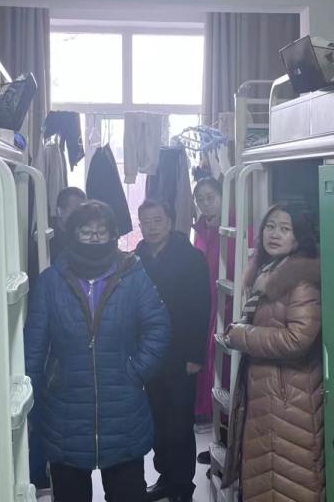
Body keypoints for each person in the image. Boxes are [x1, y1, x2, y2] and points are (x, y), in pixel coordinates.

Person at [25, 200, 171, 502]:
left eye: (101, 231)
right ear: (72, 234)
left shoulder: (132, 275)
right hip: (65, 409)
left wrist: (136, 371)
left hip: (123, 408)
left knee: (127, 494)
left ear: (113, 235)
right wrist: (36, 395)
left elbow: (158, 327)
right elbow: (34, 345)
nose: (94, 238)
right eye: (86, 231)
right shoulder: (51, 281)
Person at [221, 205, 325, 502]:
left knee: (287, 479)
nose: (274, 234)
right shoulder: (269, 270)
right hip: (270, 390)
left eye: (284, 228)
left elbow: (298, 339)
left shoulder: (301, 279)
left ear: (298, 237)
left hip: (289, 395)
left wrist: (240, 335)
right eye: (270, 226)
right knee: (266, 476)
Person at [136, 199, 211, 502]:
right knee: (156, 421)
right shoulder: (137, 258)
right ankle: (165, 477)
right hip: (148, 354)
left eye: (157, 220)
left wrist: (195, 355)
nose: (151, 227)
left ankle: (182, 487)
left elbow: (201, 307)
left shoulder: (191, 257)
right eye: (146, 222)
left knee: (179, 424)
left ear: (170, 222)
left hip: (181, 354)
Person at [191, 176, 234, 424]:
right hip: (203, 301)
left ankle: (221, 420)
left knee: (222, 361)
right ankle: (206, 412)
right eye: (200, 200)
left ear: (222, 197)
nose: (206, 204)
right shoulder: (200, 231)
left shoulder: (235, 229)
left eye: (210, 198)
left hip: (225, 303)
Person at [49, 186, 87, 265]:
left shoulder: (86, 233)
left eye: (83, 211)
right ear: (60, 211)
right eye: (76, 211)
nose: (81, 215)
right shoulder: (47, 238)